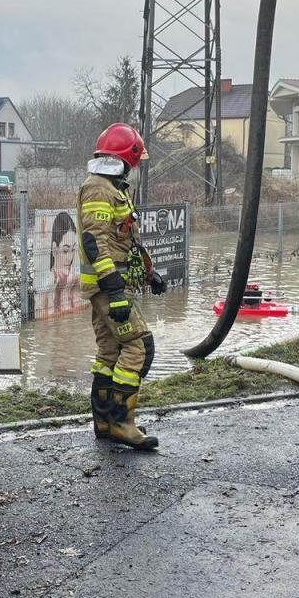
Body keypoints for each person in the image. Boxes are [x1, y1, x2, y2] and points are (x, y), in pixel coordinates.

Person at [78, 123, 166, 450]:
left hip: (108, 285)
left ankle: (103, 421)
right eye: (135, 160)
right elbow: (94, 241)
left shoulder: (113, 188)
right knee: (140, 346)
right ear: (126, 158)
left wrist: (148, 273)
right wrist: (115, 292)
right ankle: (121, 422)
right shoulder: (100, 188)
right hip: (108, 288)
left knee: (110, 352)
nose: (136, 167)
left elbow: (124, 241)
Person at [49, 210, 81, 314]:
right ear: (54, 249)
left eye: (73, 250)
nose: (70, 257)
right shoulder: (49, 280)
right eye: (65, 250)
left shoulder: (75, 278)